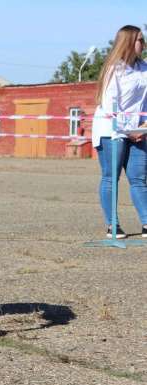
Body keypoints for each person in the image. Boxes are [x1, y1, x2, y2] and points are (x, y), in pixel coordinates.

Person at [93, 25, 147, 239]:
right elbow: (109, 105)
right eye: (140, 40)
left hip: (138, 131)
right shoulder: (113, 69)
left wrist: (142, 127)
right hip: (111, 130)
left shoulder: (144, 68)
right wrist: (128, 130)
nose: (143, 44)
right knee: (110, 177)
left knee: (139, 178)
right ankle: (112, 225)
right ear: (128, 42)